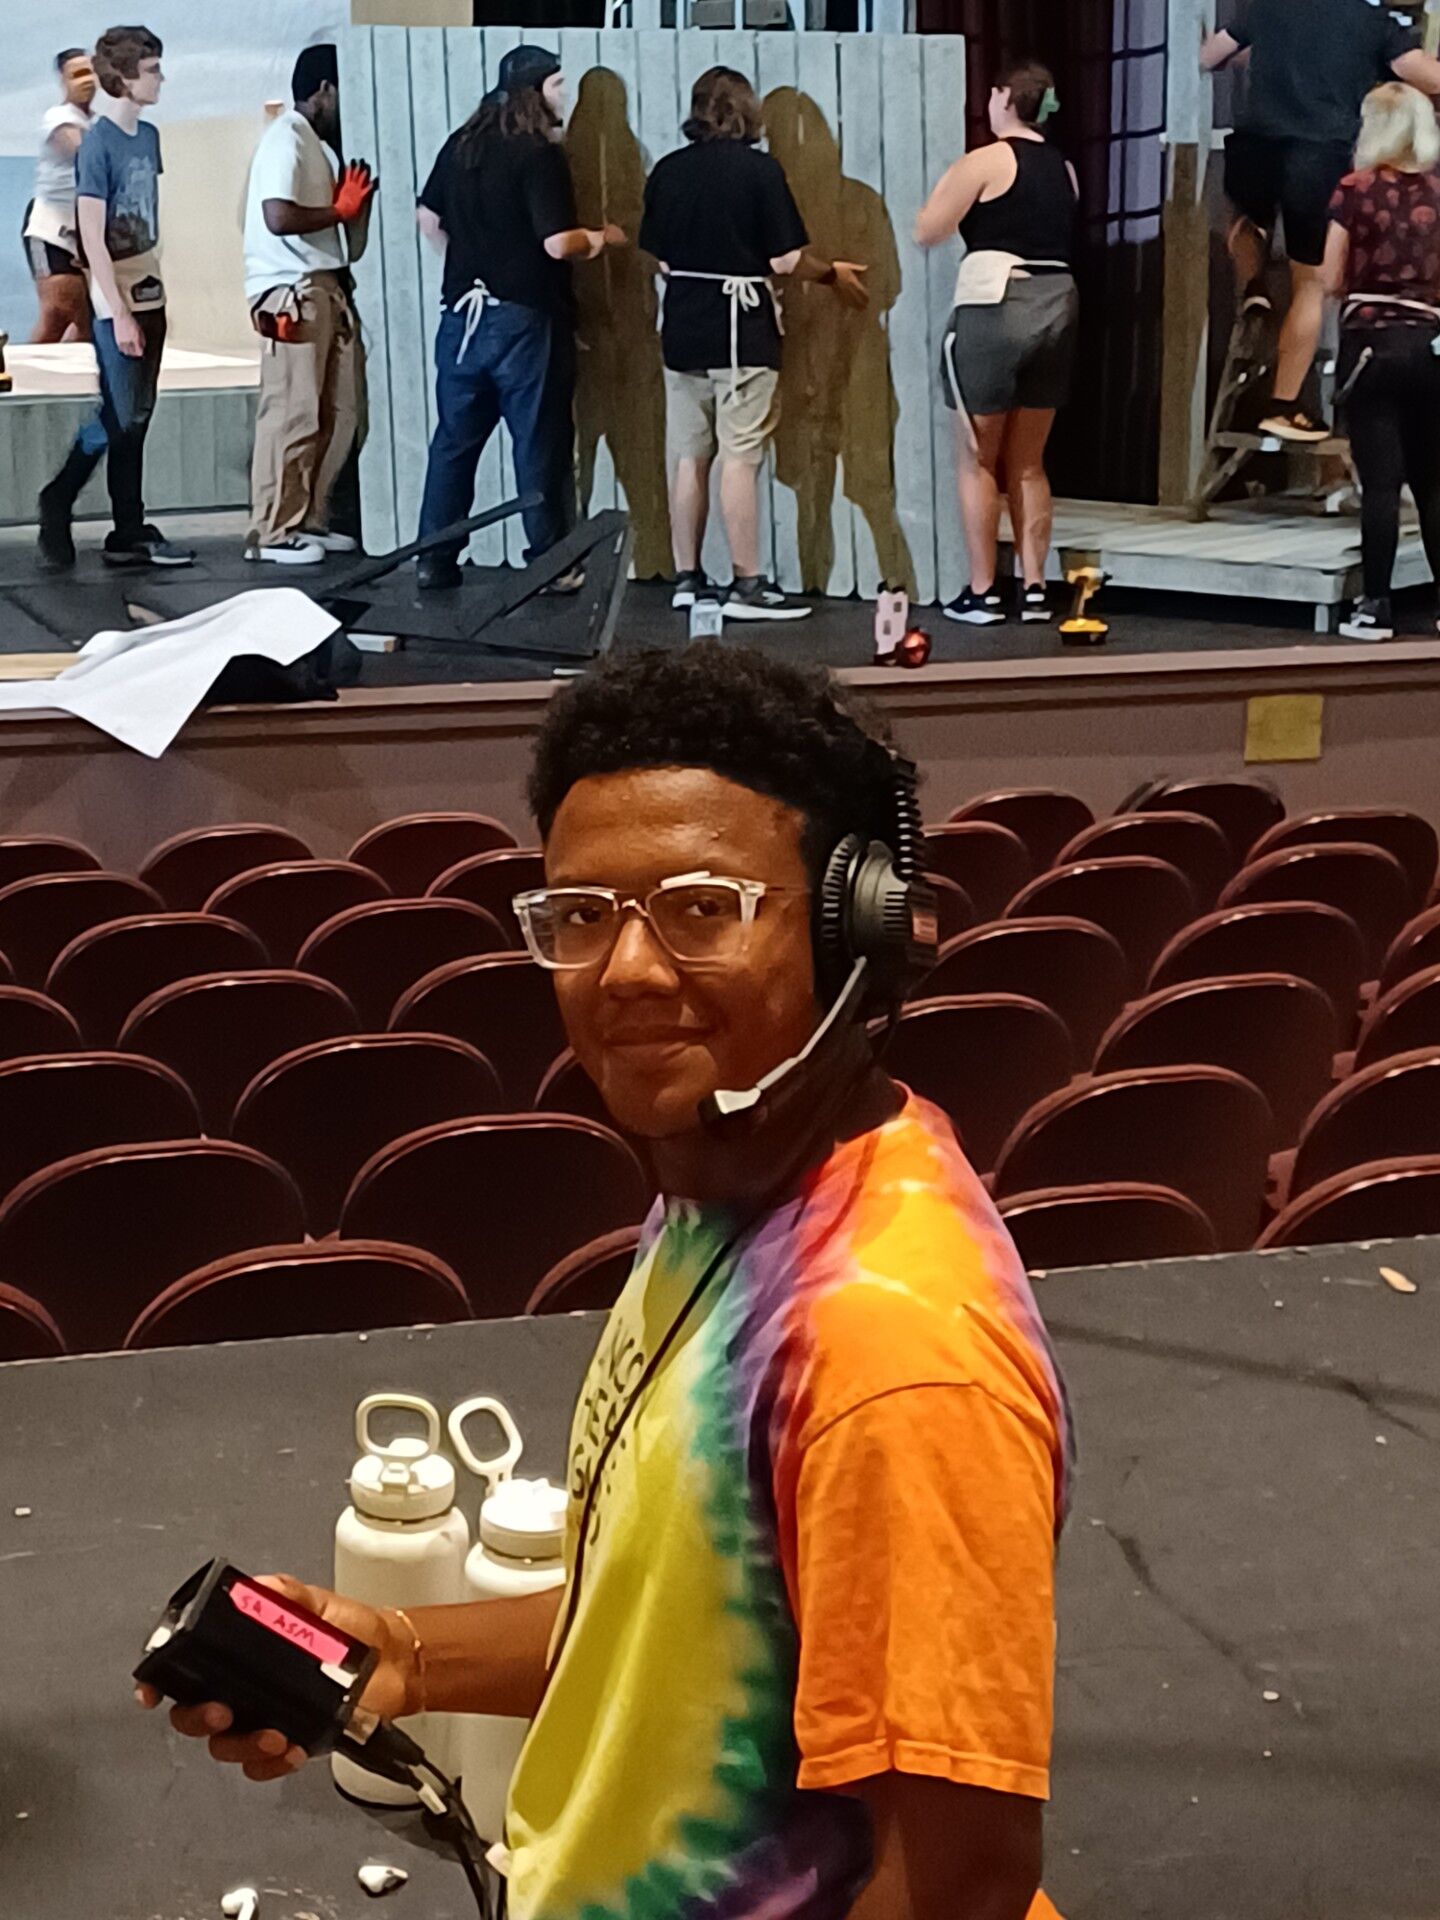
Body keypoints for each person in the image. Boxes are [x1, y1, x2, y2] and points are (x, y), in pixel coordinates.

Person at [140, 641, 1073, 1920]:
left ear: (858, 925)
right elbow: (671, 1623)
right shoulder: (723, 1189)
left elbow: (956, 1885)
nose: (626, 971)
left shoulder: (888, 1355)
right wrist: (401, 1654)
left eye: (703, 907)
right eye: (580, 916)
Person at [639, 68, 868, 623]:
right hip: (741, 329)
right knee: (740, 456)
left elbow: (662, 258)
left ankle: (687, 579)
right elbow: (786, 261)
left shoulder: (668, 171)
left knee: (689, 457)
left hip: (683, 325)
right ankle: (746, 583)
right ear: (748, 111)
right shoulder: (760, 171)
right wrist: (832, 274)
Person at [414, 46, 622, 593]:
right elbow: (557, 243)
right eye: (557, 85)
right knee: (538, 442)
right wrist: (602, 238)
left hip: (462, 317)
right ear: (534, 91)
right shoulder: (537, 155)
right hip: (524, 320)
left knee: (454, 443)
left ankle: (434, 559)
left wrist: (471, 264)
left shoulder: (463, 145)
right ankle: (551, 564)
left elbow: (427, 217)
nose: (564, 97)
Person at [1202, 0, 1440, 443]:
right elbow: (1424, 74)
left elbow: (1210, 57)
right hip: (1317, 154)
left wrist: (1275, 52)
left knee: (1245, 218)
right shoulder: (1372, 22)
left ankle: (1251, 287)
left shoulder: (1267, 10)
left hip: (1255, 146)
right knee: (1308, 283)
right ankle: (1283, 405)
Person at [916, 62, 1079, 628]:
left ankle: (983, 591)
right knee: (1030, 462)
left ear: (1004, 98)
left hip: (996, 300)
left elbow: (927, 230)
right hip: (1059, 302)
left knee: (977, 457)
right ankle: (1035, 590)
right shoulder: (1065, 169)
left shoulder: (986, 159)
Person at [36, 24, 194, 574]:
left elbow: (145, 218)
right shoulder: (99, 142)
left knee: (134, 416)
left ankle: (126, 527)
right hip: (118, 299)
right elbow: (92, 233)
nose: (160, 79)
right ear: (124, 78)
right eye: (151, 70)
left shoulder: (147, 139)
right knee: (121, 415)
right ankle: (68, 501)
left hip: (150, 291)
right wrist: (118, 311)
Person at [241, 44, 376, 567]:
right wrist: (338, 210)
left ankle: (309, 518)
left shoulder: (318, 145)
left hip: (324, 284)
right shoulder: (286, 138)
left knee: (339, 410)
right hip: (290, 288)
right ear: (324, 89)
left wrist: (347, 217)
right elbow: (278, 215)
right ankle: (273, 528)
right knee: (293, 410)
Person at [1324, 84, 1440, 642]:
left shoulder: (1354, 190)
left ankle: (1375, 606)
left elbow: (1328, 275)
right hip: (1430, 345)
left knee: (1381, 485)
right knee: (1433, 482)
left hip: (1371, 345)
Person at [22, 48, 97, 346]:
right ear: (64, 81)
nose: (85, 80)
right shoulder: (59, 118)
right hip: (51, 230)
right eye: (77, 74)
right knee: (60, 310)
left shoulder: (98, 124)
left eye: (89, 72)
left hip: (86, 231)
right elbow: (82, 153)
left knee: (82, 323)